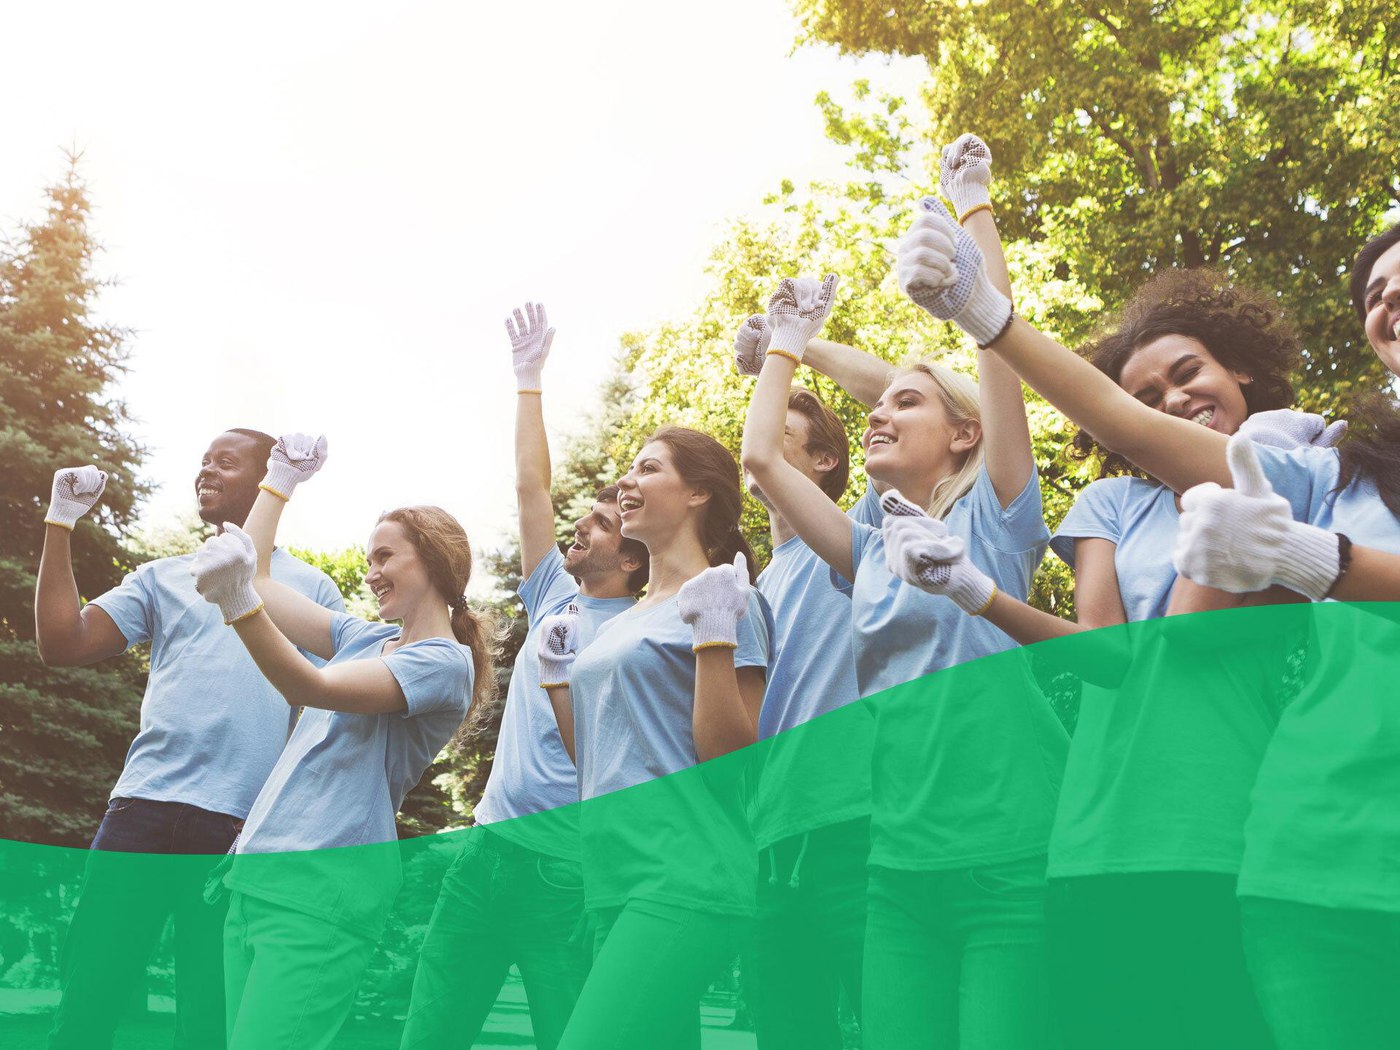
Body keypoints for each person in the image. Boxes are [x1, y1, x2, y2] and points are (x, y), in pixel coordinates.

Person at [741, 135, 1066, 1049]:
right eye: (881, 408)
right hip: (898, 870)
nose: (880, 412)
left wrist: (973, 210)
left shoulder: (996, 518)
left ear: (963, 436)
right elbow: (763, 455)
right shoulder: (869, 550)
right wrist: (784, 347)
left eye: (907, 404)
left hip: (1007, 857)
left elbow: (998, 355)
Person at [1166, 223, 1400, 1047]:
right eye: (1373, 296)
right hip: (1314, 868)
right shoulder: (1339, 462)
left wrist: (1309, 556)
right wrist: (992, 322)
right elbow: (1187, 636)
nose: (1388, 302)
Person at [35, 429, 344, 1050]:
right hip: (138, 813)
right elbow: (61, 643)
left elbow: (323, 712)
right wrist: (60, 521)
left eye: (225, 463)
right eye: (201, 460)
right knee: (88, 998)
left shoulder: (310, 591)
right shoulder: (162, 577)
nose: (204, 471)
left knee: (209, 1017)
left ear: (266, 479)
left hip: (237, 827)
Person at [189, 434, 497, 1050]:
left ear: (433, 562)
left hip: (321, 891)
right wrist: (280, 479)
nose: (371, 571)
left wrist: (236, 603)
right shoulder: (363, 638)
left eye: (385, 556)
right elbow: (261, 569)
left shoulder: (443, 663)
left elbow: (310, 683)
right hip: (258, 881)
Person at [399, 303, 646, 1050]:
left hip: (564, 872)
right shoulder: (554, 598)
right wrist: (529, 378)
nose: (582, 525)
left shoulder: (645, 630)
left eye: (602, 524)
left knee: (569, 1037)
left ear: (632, 558)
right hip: (486, 853)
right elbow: (532, 488)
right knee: (430, 1032)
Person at [540, 426, 770, 1050]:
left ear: (698, 492)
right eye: (628, 470)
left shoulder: (728, 598)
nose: (626, 482)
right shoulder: (627, 619)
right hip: (611, 876)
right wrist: (556, 678)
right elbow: (592, 757)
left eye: (647, 469)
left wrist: (716, 630)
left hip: (682, 874)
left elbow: (729, 764)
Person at [730, 383, 871, 1050]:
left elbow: (927, 406)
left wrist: (795, 343)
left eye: (778, 435)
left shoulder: (860, 541)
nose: (753, 447)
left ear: (824, 461)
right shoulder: (751, 588)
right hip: (770, 853)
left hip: (858, 835)